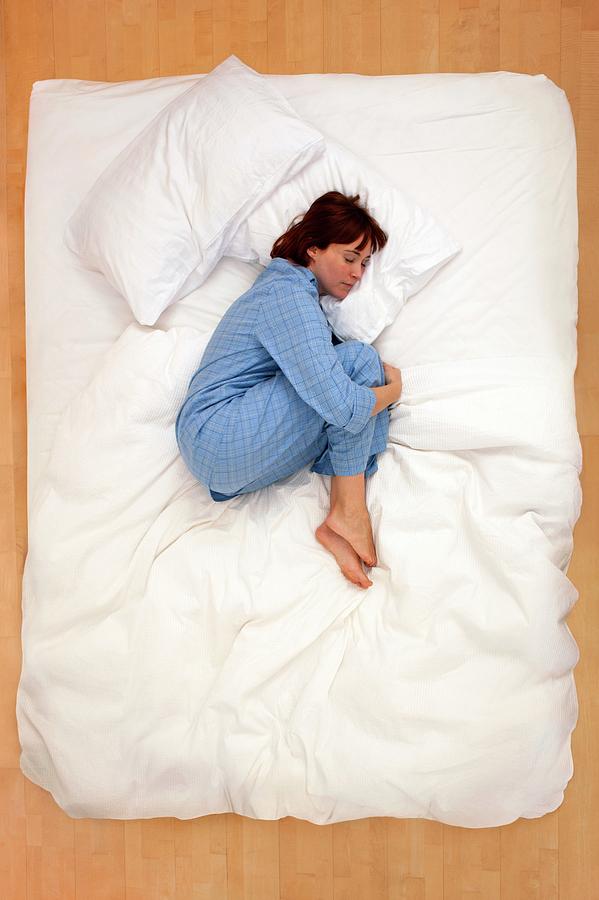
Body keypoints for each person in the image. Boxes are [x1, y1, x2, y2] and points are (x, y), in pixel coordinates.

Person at [175, 191, 402, 590]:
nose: (357, 273)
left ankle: (342, 517)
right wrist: (393, 392)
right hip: (219, 434)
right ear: (312, 249)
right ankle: (348, 511)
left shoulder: (299, 301)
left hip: (231, 468)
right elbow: (344, 405)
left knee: (353, 374)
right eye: (349, 258)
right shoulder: (285, 294)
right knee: (361, 364)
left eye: (365, 264)